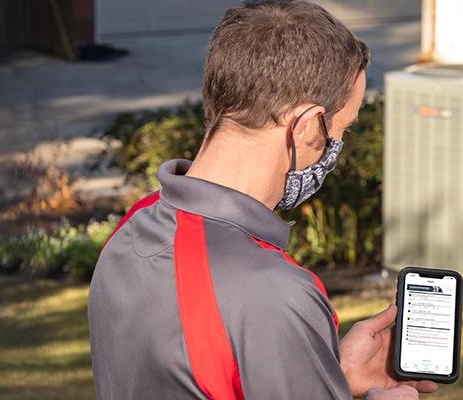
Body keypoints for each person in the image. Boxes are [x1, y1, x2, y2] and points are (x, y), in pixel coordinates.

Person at [87, 1, 435, 399]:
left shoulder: (135, 223)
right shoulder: (271, 293)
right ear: (306, 128)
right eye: (342, 128)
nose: (339, 145)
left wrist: (324, 371)